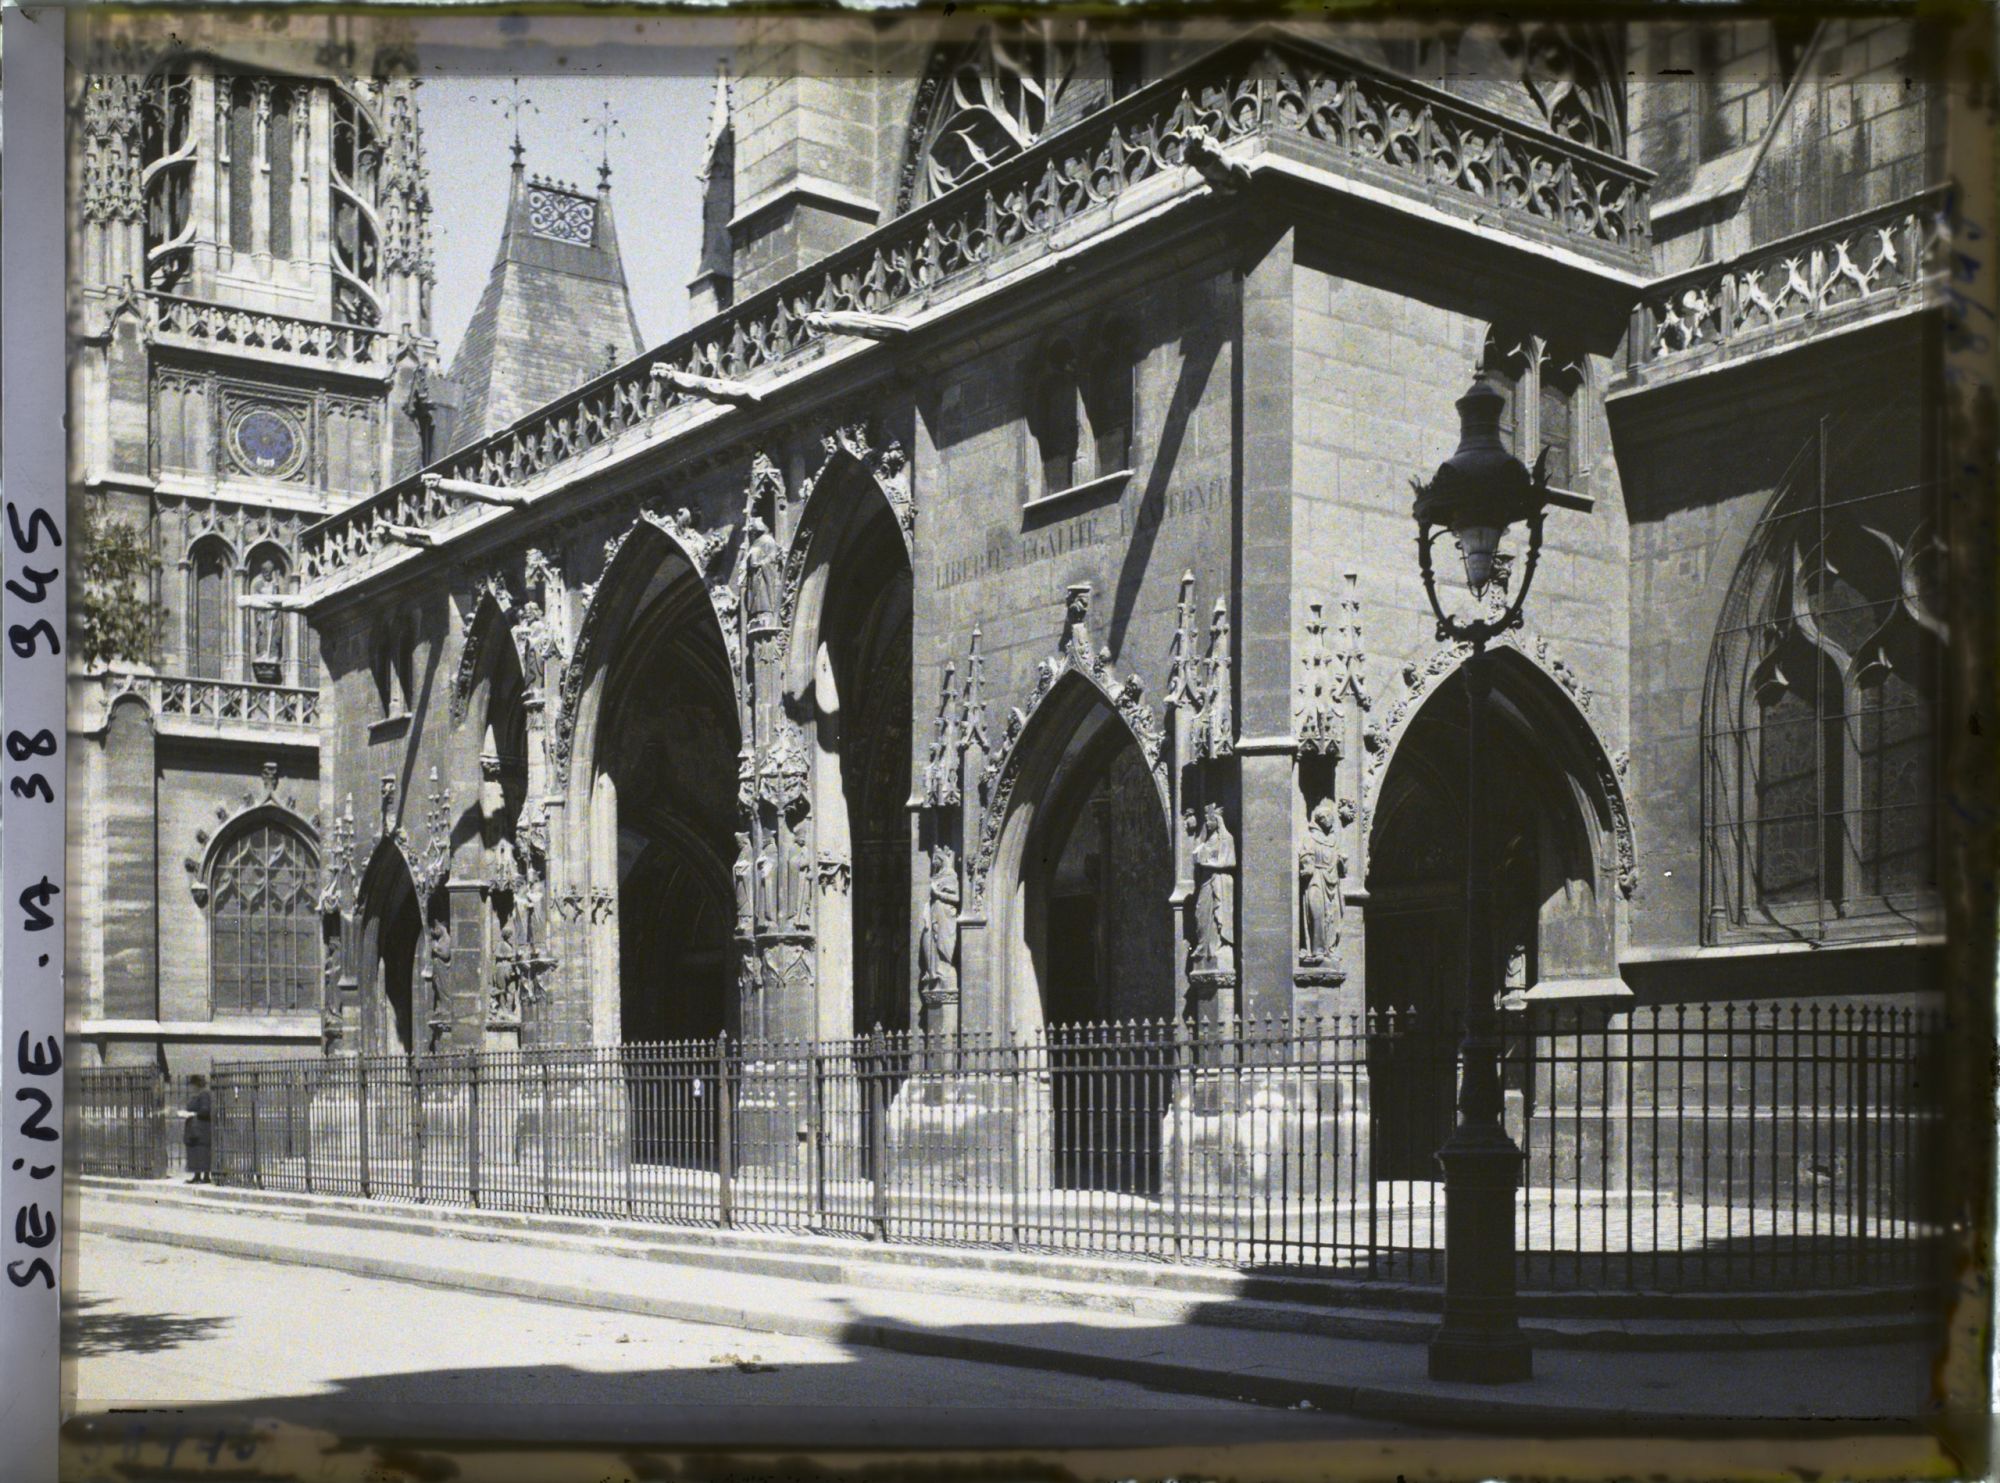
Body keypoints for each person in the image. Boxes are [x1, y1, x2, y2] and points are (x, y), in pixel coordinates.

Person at [182, 1074, 213, 1185]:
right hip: (195, 1128)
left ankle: (204, 1177)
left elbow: (205, 1110)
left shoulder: (204, 1094)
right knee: (195, 1152)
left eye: (192, 1085)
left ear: (196, 1085)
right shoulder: (198, 1094)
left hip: (201, 1128)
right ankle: (197, 1176)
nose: (191, 1088)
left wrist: (192, 1113)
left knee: (202, 1152)